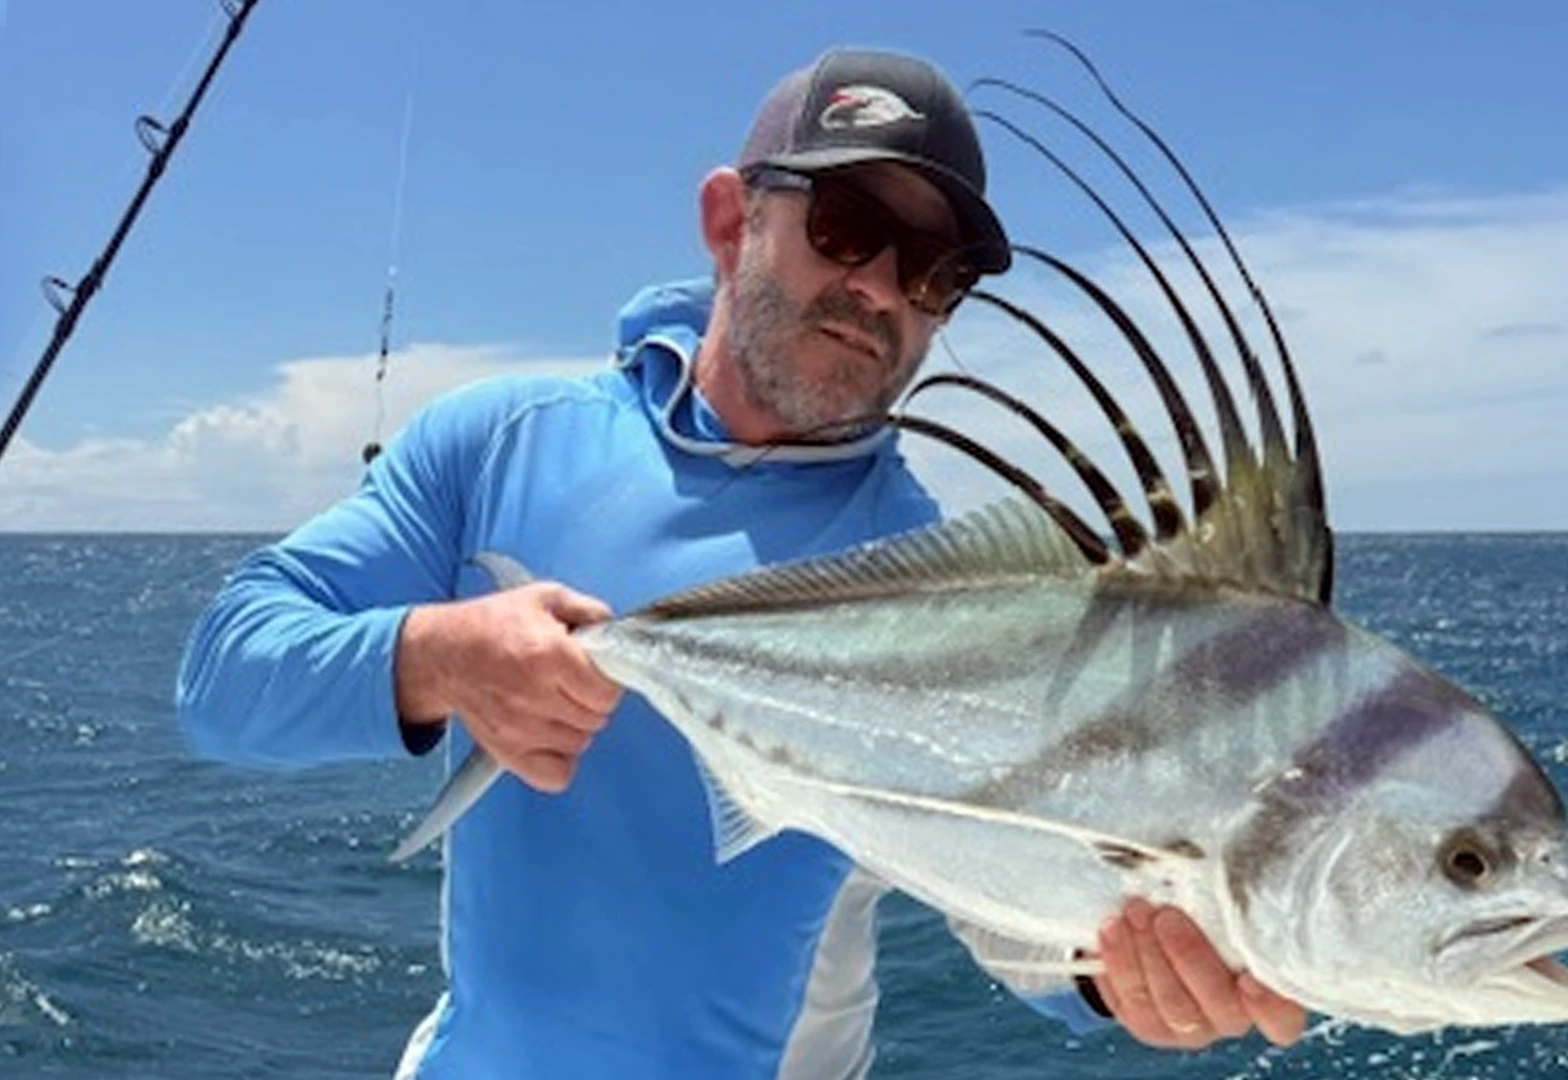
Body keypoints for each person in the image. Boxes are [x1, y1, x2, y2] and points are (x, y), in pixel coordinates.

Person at [176, 46, 1305, 1079]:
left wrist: (1123, 978)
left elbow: (1016, 895)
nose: (880, 290)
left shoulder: (940, 579)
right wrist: (438, 656)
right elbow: (224, 679)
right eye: (849, 226)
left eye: (934, 273)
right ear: (730, 222)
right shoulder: (498, 440)